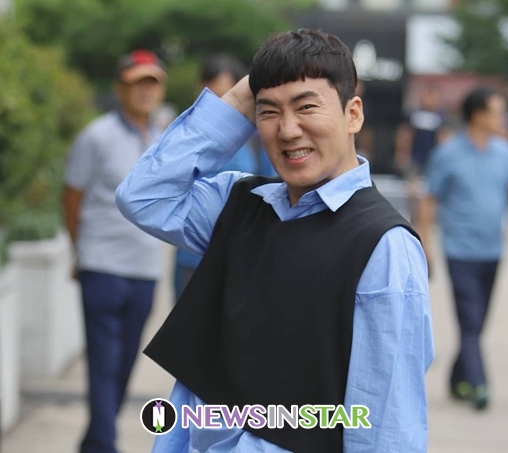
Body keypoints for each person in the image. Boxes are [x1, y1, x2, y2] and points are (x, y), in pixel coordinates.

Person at [117, 29, 434, 452]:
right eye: (268, 111)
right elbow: (144, 197)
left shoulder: (384, 246)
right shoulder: (238, 203)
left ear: (353, 114)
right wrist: (239, 97)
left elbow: (387, 428)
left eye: (306, 106)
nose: (287, 130)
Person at [62, 49, 167, 453]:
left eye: (152, 83)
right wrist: (80, 250)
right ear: (119, 89)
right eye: (137, 83)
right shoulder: (96, 136)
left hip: (145, 269)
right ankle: (104, 445)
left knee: (124, 364)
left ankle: (95, 441)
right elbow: (72, 196)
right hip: (102, 266)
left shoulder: (162, 139)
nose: (145, 91)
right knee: (103, 363)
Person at [417, 87, 508, 410]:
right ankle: (479, 385)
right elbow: (429, 200)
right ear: (477, 115)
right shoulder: (448, 154)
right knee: (470, 319)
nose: (502, 118)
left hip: (492, 251)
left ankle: (456, 380)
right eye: (496, 112)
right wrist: (424, 244)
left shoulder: (504, 152)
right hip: (459, 250)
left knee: (476, 323)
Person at [174, 54, 260, 298]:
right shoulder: (187, 138)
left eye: (226, 97)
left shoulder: (257, 138)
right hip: (193, 258)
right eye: (211, 96)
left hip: (237, 260)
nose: (218, 107)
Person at [395, 85, 449, 224]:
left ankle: (425, 219)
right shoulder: (413, 115)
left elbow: (443, 138)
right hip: (415, 159)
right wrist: (402, 153)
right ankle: (414, 215)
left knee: (430, 191)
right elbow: (405, 135)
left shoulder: (440, 117)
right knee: (412, 189)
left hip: (432, 160)